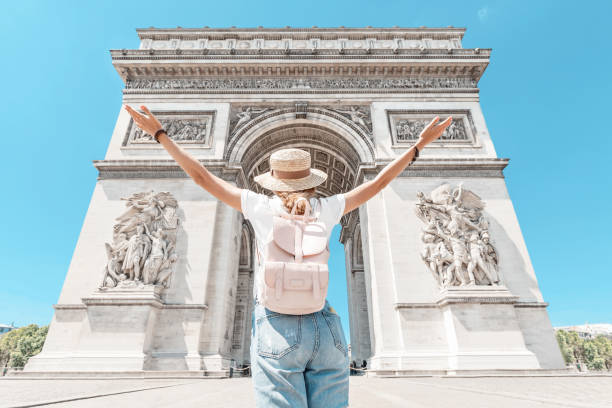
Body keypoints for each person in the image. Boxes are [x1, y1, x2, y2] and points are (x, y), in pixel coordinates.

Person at [124, 104, 451, 408]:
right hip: (327, 328)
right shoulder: (329, 207)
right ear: (311, 183)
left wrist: (160, 134)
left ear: (273, 181)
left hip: (276, 327)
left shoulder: (259, 205)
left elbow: (202, 177)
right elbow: (378, 184)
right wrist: (418, 146)